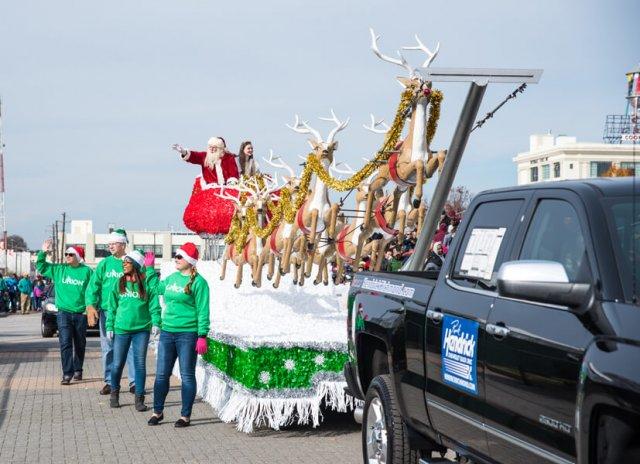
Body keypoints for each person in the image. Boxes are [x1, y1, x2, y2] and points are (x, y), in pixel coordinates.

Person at [148, 242, 210, 427]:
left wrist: (202, 335)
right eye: (176, 255)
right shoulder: (172, 278)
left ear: (190, 261)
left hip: (187, 334)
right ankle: (157, 412)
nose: (176, 258)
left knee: (187, 375)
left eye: (180, 256)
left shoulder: (199, 282)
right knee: (161, 375)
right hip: (168, 333)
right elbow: (154, 289)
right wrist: (150, 269)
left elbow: (203, 310)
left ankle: (185, 416)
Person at [85, 229, 139, 395]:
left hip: (127, 312)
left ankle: (135, 382)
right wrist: (90, 305)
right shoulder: (104, 264)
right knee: (108, 347)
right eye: (109, 244)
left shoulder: (132, 262)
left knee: (130, 347)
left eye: (114, 243)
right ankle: (109, 381)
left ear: (123, 244)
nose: (110, 246)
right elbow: (93, 286)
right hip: (108, 312)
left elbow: (142, 285)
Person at [106, 250, 161, 412]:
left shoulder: (146, 284)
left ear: (136, 265)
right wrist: (109, 326)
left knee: (140, 365)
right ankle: (114, 393)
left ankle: (139, 397)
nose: (124, 264)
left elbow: (154, 305)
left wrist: (156, 322)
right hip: (121, 329)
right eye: (123, 262)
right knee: (117, 364)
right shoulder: (119, 282)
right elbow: (112, 306)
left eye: (127, 262)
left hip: (141, 330)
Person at [36, 240, 93, 385]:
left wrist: (91, 308)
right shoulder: (59, 269)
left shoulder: (87, 272)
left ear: (78, 257)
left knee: (80, 343)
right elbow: (41, 267)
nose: (67, 256)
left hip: (81, 314)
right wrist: (43, 252)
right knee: (65, 343)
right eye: (66, 254)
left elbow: (93, 291)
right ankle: (67, 373)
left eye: (71, 254)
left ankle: (78, 369)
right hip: (63, 313)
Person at [172, 137, 241, 236]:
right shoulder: (205, 157)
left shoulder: (228, 158)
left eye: (215, 147)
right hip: (210, 191)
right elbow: (194, 156)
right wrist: (184, 152)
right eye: (210, 147)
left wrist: (231, 184)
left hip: (225, 190)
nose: (212, 149)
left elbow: (233, 173)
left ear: (220, 148)